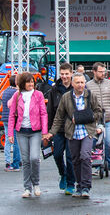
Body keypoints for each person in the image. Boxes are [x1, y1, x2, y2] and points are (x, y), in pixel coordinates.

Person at [50, 73, 104, 200]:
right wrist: (51, 133)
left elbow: (98, 111)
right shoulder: (66, 97)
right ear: (73, 84)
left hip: (87, 131)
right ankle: (79, 185)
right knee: (75, 159)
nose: (80, 85)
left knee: (85, 156)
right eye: (78, 82)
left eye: (82, 82)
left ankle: (86, 187)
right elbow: (59, 116)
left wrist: (85, 117)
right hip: (72, 132)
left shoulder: (90, 96)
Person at [7, 72, 52, 198]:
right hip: (21, 131)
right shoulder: (17, 96)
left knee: (34, 158)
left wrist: (44, 132)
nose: (31, 84)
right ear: (23, 83)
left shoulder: (38, 95)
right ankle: (27, 188)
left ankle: (36, 184)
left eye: (32, 82)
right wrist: (10, 133)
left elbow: (44, 113)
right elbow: (11, 116)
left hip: (35, 131)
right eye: (28, 82)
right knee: (25, 160)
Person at [86, 62, 110, 174]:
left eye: (104, 71)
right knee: (96, 143)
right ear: (94, 72)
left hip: (108, 118)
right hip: (94, 119)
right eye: (100, 71)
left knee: (109, 141)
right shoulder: (88, 85)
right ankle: (97, 164)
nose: (103, 73)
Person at [48, 62, 75, 194]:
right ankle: (62, 173)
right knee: (57, 154)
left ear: (71, 74)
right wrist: (48, 130)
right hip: (58, 128)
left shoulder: (75, 88)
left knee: (70, 158)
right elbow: (50, 110)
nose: (64, 76)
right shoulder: (54, 89)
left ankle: (71, 183)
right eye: (62, 74)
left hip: (72, 128)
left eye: (66, 74)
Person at [0, 76, 21, 173]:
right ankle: (17, 160)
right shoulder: (16, 93)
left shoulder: (5, 92)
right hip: (14, 118)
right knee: (16, 141)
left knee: (8, 140)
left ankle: (7, 161)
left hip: (5, 117)